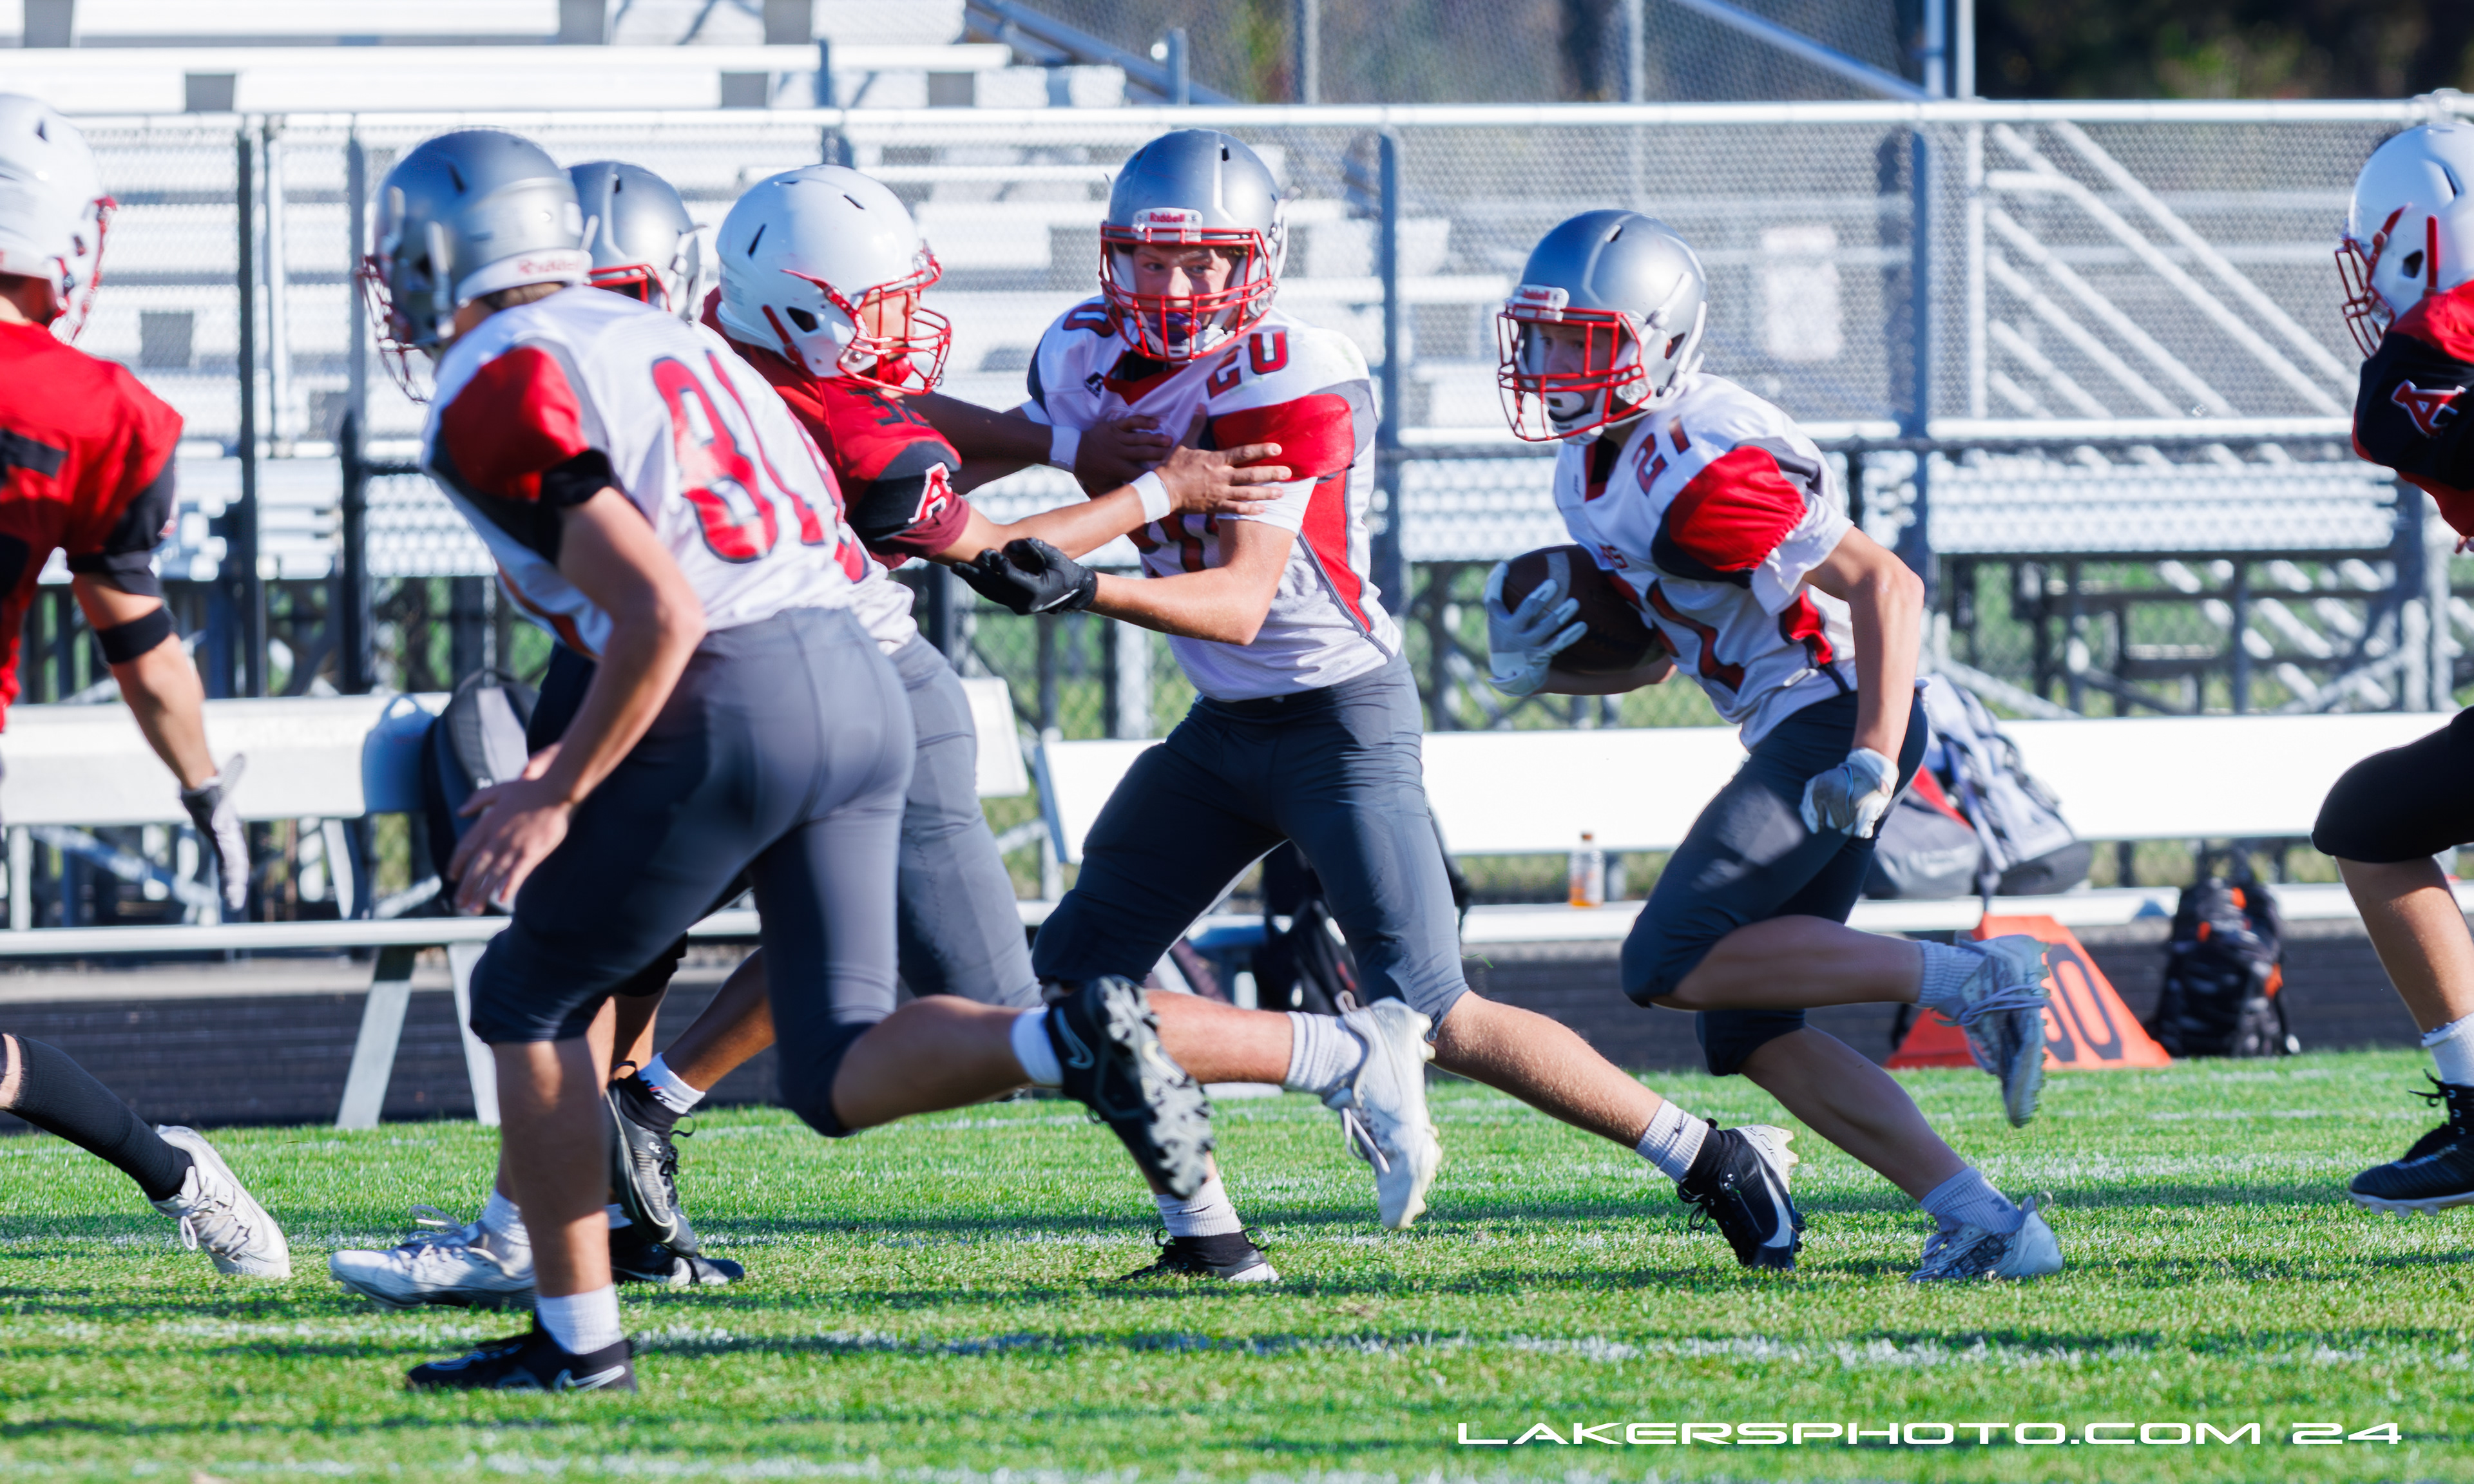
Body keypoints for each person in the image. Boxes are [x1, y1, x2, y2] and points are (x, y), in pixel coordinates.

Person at [329, 160, 1352, 1305]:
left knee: (603, 976)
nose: (903, 330)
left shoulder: (696, 362)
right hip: (799, 673)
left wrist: (1112, 471)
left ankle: (1325, 1067)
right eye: (880, 308)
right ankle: (611, 1196)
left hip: (754, 673)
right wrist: (1112, 467)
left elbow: (948, 511)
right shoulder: (702, 360)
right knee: (777, 1025)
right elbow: (881, 440)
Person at [961, 129, 1809, 1273]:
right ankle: (1208, 1238)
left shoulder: (1292, 368)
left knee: (1435, 1012)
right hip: (1222, 728)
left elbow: (1241, 603)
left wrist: (1088, 582)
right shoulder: (1078, 349)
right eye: (1149, 260)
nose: (1171, 287)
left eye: (1202, 261)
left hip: (1336, 718)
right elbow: (1014, 462)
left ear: (1257, 260)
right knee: (1076, 986)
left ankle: (1713, 1157)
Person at [1482, 208, 2062, 1282]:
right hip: (1795, 720)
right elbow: (1658, 657)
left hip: (1833, 714)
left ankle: (1977, 975)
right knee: (1746, 1029)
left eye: (1584, 341)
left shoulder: (1699, 460)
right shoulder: (1590, 466)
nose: (1556, 365)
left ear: (1659, 341)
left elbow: (1889, 585)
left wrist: (1873, 753)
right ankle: (1987, 1222)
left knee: (1666, 961)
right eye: (1546, 339)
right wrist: (1539, 672)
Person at [0, 94, 285, 1282]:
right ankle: (176, 1173)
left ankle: (175, 1172)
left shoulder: (92, 407)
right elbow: (140, 643)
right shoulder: (95, 409)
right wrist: (206, 791)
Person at [2317, 121, 2474, 1216]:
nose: (2371, 276)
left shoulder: (2424, 357)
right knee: (2372, 814)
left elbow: (2410, 419)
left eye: (2379, 248)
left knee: (2370, 820)